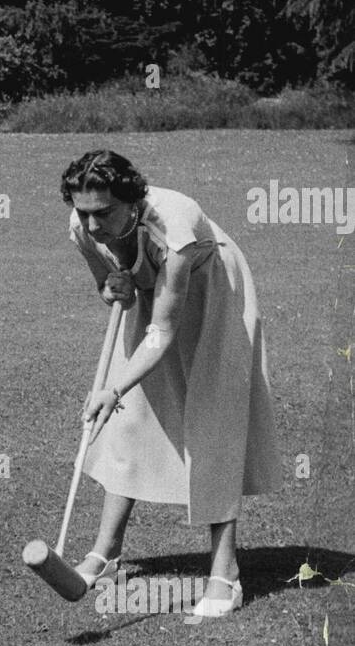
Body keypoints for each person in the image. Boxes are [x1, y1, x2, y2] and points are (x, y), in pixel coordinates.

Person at [61, 149, 281, 621]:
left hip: (215, 293)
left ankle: (225, 575)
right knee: (131, 415)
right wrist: (110, 288)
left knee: (211, 419)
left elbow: (161, 330)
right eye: (84, 211)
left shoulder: (174, 225)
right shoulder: (82, 228)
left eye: (104, 212)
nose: (92, 224)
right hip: (156, 293)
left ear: (134, 200)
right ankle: (105, 556)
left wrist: (112, 387)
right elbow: (109, 285)